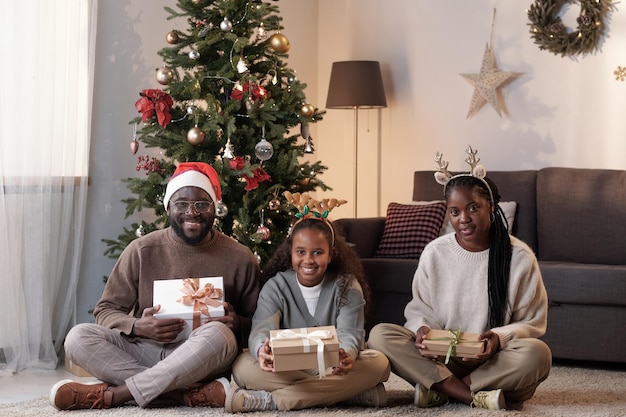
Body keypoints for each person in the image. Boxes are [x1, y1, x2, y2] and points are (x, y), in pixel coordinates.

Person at [50, 162, 261, 410]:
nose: (191, 212)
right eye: (181, 204)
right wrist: (138, 326)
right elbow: (105, 311)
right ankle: (179, 395)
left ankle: (117, 395)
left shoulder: (239, 256)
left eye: (202, 204)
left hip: (202, 357)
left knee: (220, 335)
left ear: (215, 207)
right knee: (77, 337)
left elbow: (261, 321)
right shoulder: (141, 250)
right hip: (145, 350)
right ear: (168, 207)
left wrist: (237, 324)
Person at [368, 146, 552, 411]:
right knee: (380, 335)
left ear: (491, 206)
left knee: (538, 355)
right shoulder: (435, 252)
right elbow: (420, 309)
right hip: (444, 358)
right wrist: (422, 331)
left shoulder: (520, 257)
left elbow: (532, 323)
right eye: (454, 212)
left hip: (495, 362)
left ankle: (441, 389)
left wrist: (499, 338)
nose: (463, 219)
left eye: (473, 208)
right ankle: (473, 395)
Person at [224, 193, 390, 413]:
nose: (308, 260)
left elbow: (350, 334)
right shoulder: (276, 286)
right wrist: (261, 350)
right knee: (243, 367)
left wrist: (347, 354)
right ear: (290, 253)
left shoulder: (347, 286)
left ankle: (270, 401)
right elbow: (262, 329)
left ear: (331, 255)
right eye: (300, 252)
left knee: (379, 363)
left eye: (318, 252)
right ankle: (351, 393)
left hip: (332, 366)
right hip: (290, 365)